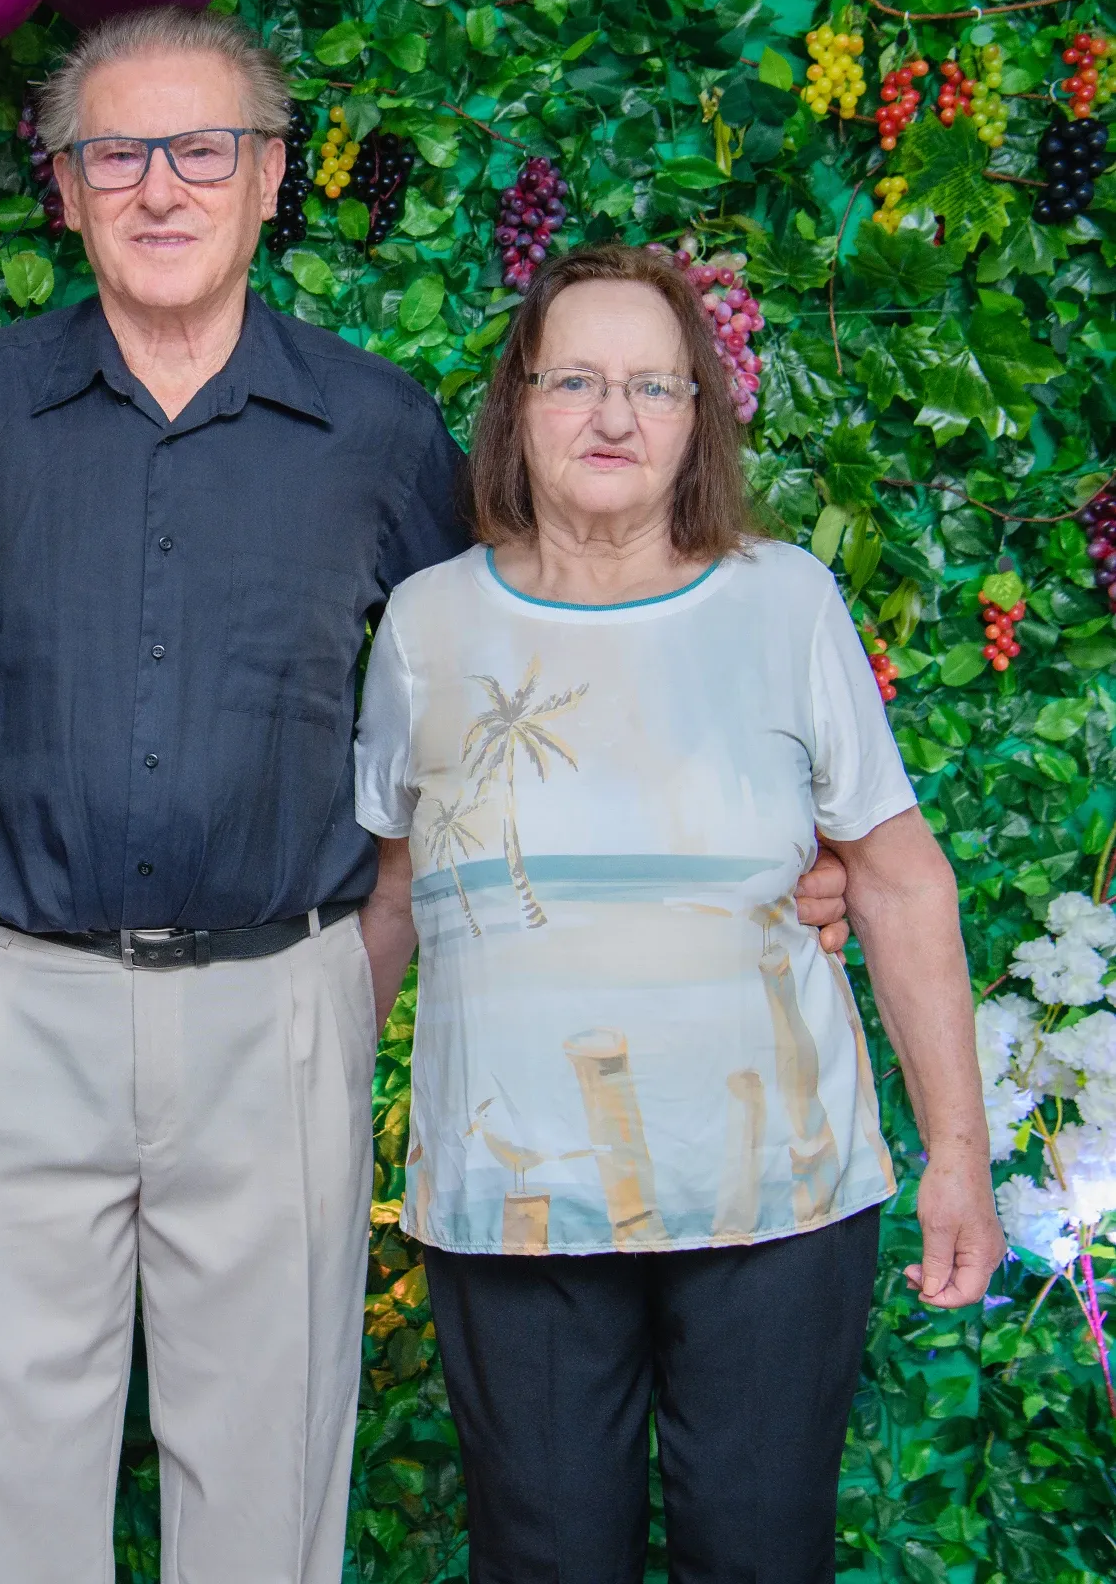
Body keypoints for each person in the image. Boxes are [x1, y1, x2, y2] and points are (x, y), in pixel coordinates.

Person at [0, 11, 850, 1580]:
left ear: (269, 177)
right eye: (113, 153)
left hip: (279, 994)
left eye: (200, 148)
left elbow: (504, 666)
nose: (159, 186)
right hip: (14, 996)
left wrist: (763, 854)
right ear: (64, 190)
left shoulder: (375, 430)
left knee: (267, 1473)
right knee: (1, 1477)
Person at [352, 243, 1000, 1582]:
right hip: (510, 1202)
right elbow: (388, 901)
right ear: (515, 404)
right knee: (541, 1564)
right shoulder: (424, 625)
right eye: (573, 379)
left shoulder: (782, 601)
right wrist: (310, 1153)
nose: (610, 417)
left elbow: (893, 873)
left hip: (779, 1198)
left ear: (696, 416)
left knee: (759, 1557)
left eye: (651, 387)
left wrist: (957, 1153)